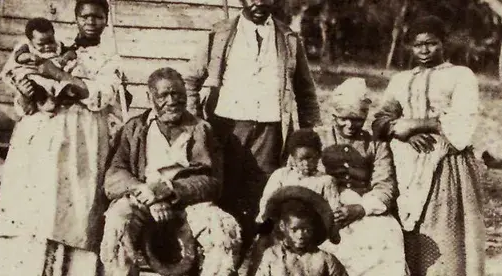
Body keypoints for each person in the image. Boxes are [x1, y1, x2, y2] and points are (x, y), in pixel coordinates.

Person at [0, 0, 131, 275]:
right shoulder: (53, 45)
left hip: (82, 136)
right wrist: (26, 92)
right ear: (76, 17)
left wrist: (58, 74)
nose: (91, 22)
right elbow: (22, 80)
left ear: (106, 19)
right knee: (33, 204)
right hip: (40, 132)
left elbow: (102, 94)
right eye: (85, 16)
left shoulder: (110, 58)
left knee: (73, 206)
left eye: (98, 17)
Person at [182, 0, 320, 250]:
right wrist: (194, 121)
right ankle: (220, 254)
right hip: (227, 127)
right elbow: (191, 79)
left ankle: (254, 257)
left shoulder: (288, 38)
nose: (259, 2)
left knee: (261, 194)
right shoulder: (220, 33)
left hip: (270, 129)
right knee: (224, 188)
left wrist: (307, 135)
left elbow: (306, 91)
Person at [371, 15, 485, 276]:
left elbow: (462, 121)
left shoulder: (460, 75)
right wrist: (404, 134)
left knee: (443, 232)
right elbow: (380, 120)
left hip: (447, 163)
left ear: (443, 43)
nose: (424, 50)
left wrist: (413, 123)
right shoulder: (400, 80)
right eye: (417, 45)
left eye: (431, 44)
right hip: (405, 163)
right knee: (408, 232)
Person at [100, 67, 242, 276]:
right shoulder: (134, 128)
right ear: (149, 97)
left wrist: (167, 190)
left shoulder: (201, 129)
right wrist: (144, 191)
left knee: (223, 229)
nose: (172, 101)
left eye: (177, 94)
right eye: (163, 95)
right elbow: (114, 177)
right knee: (118, 222)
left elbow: (212, 182)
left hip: (187, 202)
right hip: (143, 199)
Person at [315, 78, 408, 276]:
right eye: (343, 118)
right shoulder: (319, 139)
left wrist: (361, 208)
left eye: (357, 119)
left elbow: (385, 185)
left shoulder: (375, 144)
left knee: (388, 234)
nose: (350, 125)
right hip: (325, 206)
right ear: (333, 115)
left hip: (365, 208)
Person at [240, 129, 340, 276]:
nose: (306, 163)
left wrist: (330, 229)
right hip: (281, 227)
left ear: (318, 156)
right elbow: (267, 200)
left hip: (310, 230)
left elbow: (332, 208)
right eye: (301, 159)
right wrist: (265, 221)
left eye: (311, 158)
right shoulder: (281, 175)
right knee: (262, 246)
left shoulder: (325, 181)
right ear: (292, 158)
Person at [254, 186, 347, 276]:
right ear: (282, 226)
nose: (300, 235)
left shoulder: (325, 260)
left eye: (306, 230)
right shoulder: (272, 256)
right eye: (294, 230)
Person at [0, 17, 79, 116]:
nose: (47, 46)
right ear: (31, 41)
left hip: (53, 75)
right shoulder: (26, 47)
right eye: (41, 44)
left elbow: (70, 52)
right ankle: (42, 103)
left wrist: (66, 57)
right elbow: (18, 57)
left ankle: (65, 93)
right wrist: (29, 56)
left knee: (61, 85)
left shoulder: (58, 46)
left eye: (50, 41)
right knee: (34, 87)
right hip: (34, 74)